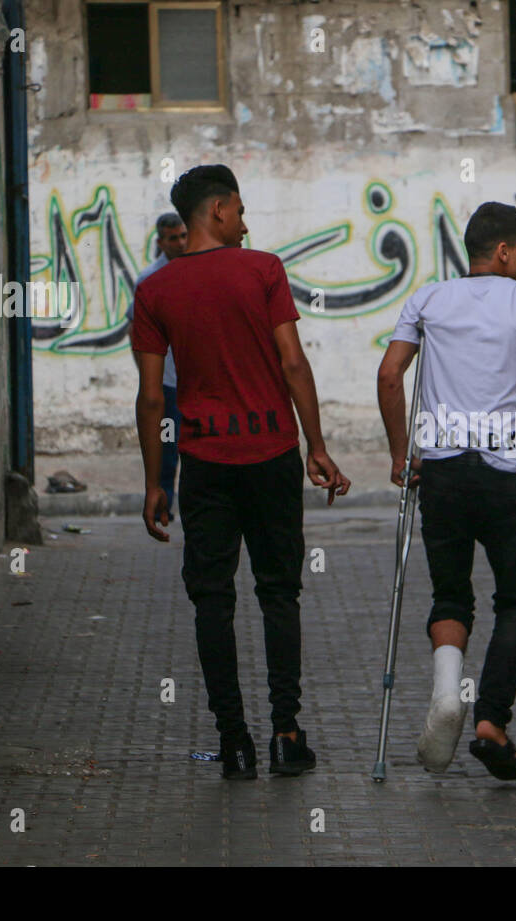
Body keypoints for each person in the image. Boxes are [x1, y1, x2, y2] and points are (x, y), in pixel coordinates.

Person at [131, 164, 350, 780]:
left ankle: (234, 742)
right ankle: (286, 734)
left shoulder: (155, 291)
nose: (247, 224)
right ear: (220, 210)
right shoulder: (263, 270)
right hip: (273, 455)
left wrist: (154, 483)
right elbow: (293, 364)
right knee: (279, 592)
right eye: (241, 210)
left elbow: (152, 399)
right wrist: (318, 445)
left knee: (211, 600)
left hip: (202, 464)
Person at [376, 201, 516, 780]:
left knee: (450, 594)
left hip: (441, 470)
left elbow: (391, 375)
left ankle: (447, 693)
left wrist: (401, 453)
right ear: (503, 252)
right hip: (506, 475)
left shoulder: (427, 299)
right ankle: (491, 719)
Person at [127, 212, 188, 520]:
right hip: (167, 382)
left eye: (182, 236)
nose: (178, 243)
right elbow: (134, 327)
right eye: (172, 238)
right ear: (160, 242)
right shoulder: (149, 280)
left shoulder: (199, 270)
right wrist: (147, 373)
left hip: (197, 380)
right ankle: (164, 507)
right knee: (166, 450)